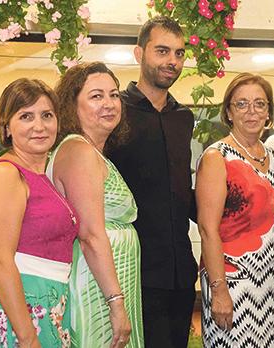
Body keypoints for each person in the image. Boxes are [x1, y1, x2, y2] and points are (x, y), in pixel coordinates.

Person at [105, 16, 197, 348]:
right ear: (138, 53)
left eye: (179, 53)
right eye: (162, 51)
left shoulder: (183, 117)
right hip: (131, 270)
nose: (172, 61)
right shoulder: (115, 112)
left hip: (180, 271)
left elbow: (178, 189)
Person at [0, 79, 78, 347]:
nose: (39, 126)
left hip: (49, 304)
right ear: (7, 126)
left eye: (47, 115)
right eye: (26, 116)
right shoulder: (7, 173)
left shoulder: (44, 176)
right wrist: (28, 337)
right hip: (17, 312)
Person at [196, 73, 274, 347]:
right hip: (234, 286)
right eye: (242, 104)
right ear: (228, 111)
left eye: (259, 104)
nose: (251, 111)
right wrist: (219, 291)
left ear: (269, 112)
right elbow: (207, 230)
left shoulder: (272, 156)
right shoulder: (217, 157)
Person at [48, 62, 140, 347]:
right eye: (96, 96)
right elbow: (89, 235)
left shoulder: (92, 152)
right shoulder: (79, 151)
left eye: (114, 95)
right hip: (95, 291)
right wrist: (115, 302)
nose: (109, 104)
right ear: (71, 105)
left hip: (107, 286)